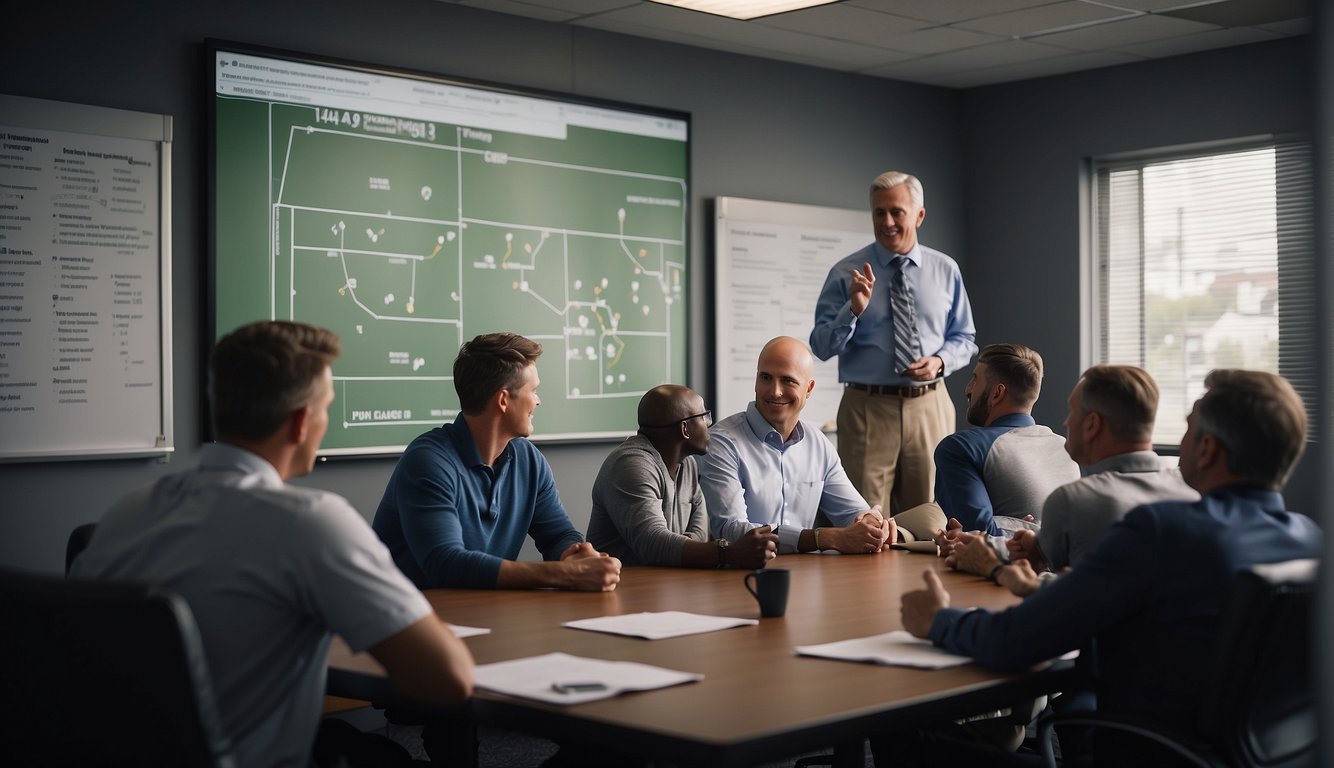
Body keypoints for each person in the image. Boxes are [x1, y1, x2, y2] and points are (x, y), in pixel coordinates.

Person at [71, 321, 474, 768]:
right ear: (302, 421)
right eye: (326, 409)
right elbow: (449, 678)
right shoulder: (312, 522)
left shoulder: (127, 513)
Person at [897, 369, 1322, 766]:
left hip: (1143, 748)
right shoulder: (1312, 542)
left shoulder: (1161, 530)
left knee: (903, 728)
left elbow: (1019, 639)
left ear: (1208, 449)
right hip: (1262, 755)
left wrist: (938, 621)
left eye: (1190, 429)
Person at [373, 332, 621, 590]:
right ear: (503, 400)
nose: (538, 400)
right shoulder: (427, 462)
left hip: (482, 612)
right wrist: (565, 574)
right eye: (533, 390)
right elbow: (445, 564)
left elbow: (557, 534)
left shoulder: (529, 460)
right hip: (408, 619)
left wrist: (577, 555)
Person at [947, 365, 1198, 596]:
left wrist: (994, 567)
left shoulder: (1075, 501)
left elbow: (1067, 596)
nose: (1066, 422)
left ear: (1092, 424)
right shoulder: (1193, 494)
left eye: (1072, 411)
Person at [810, 170, 976, 516]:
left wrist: (941, 361)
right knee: (865, 518)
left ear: (919, 215)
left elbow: (964, 337)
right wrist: (852, 311)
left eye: (896, 212)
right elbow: (822, 346)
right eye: (878, 212)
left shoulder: (946, 269)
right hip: (867, 408)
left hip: (930, 405)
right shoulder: (847, 272)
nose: (886, 221)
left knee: (930, 516)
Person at [697, 336, 896, 555]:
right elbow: (731, 530)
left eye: (787, 380)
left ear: (809, 388)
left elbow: (854, 511)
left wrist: (869, 523)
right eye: (766, 378)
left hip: (806, 576)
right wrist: (823, 538)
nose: (774, 391)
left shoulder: (818, 443)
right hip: (736, 577)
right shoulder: (721, 442)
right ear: (756, 381)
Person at [587, 385, 779, 568]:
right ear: (685, 429)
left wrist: (677, 548)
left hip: (670, 586)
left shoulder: (687, 463)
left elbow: (702, 530)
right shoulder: (631, 465)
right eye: (704, 417)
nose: (709, 424)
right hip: (625, 590)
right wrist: (731, 552)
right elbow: (653, 544)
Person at [932, 343, 1078, 539]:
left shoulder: (960, 448)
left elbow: (976, 537)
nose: (968, 389)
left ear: (997, 394)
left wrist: (1006, 526)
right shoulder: (1067, 448)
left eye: (975, 380)